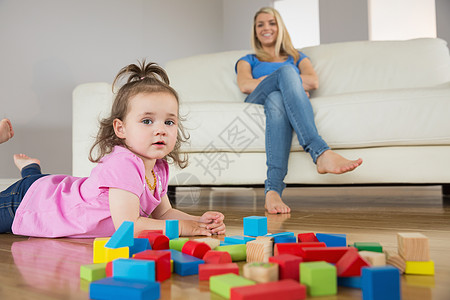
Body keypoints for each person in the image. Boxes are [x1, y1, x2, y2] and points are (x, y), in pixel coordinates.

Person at [0, 60, 226, 238]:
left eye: (169, 122)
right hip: (27, 203)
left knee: (38, 183)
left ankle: (31, 170)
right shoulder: (123, 164)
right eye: (147, 121)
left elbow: (164, 214)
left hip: (49, 190)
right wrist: (185, 228)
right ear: (121, 128)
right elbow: (129, 228)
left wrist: (198, 221)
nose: (161, 130)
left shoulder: (158, 167)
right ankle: (29, 170)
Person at [236, 7, 362, 214]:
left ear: (280, 28)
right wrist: (289, 84)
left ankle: (273, 190)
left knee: (277, 97)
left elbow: (313, 81)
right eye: (260, 24)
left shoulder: (296, 56)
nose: (266, 28)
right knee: (285, 73)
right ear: (255, 31)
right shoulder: (248, 59)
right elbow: (245, 85)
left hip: (275, 102)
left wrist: (286, 88)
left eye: (272, 23)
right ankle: (320, 152)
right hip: (257, 98)